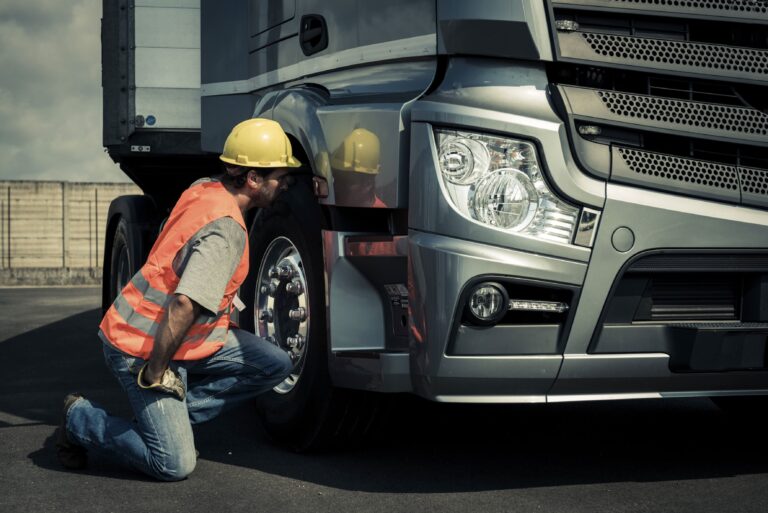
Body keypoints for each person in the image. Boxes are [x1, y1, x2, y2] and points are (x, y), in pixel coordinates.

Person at [55, 118, 301, 481]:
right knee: (173, 463)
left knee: (274, 363)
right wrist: (156, 371)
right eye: (280, 176)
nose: (285, 184)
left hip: (187, 341)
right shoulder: (226, 232)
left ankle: (165, 423)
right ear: (252, 178)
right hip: (139, 347)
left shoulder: (205, 188)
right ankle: (80, 420)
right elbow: (184, 304)